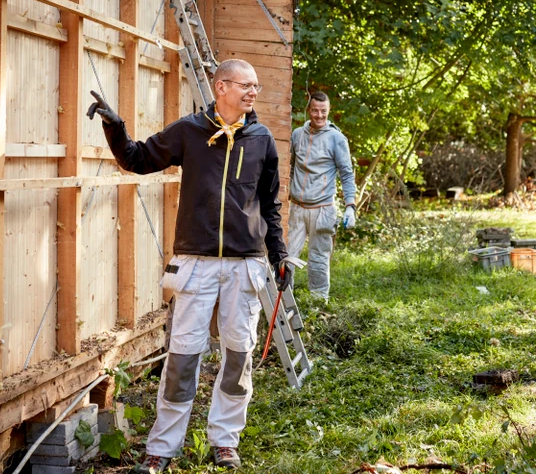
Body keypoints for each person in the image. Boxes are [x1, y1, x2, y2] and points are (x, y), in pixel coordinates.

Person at [87, 59, 291, 473]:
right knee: (182, 359)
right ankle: (162, 448)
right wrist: (115, 126)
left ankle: (225, 441)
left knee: (238, 358)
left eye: (256, 86)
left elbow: (269, 205)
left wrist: (279, 253)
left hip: (244, 265)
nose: (253, 92)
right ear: (221, 87)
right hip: (195, 264)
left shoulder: (262, 140)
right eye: (246, 85)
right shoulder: (190, 131)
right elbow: (137, 158)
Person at [287, 91, 358, 303]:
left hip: (322, 210)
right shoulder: (297, 135)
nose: (319, 115)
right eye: (315, 111)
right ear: (308, 110)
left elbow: (347, 174)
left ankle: (317, 305)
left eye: (323, 111)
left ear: (329, 111)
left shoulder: (336, 139)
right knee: (286, 257)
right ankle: (282, 303)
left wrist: (350, 206)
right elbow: (290, 167)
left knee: (318, 259)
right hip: (296, 208)